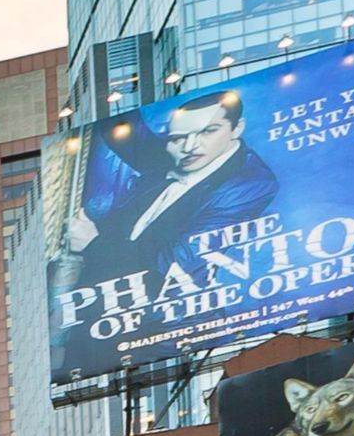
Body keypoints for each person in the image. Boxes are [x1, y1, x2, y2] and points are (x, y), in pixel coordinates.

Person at [62, 90, 275, 306]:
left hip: (162, 321)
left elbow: (170, 267)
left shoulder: (248, 185)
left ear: (237, 128)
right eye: (179, 137)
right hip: (103, 305)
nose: (190, 146)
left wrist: (93, 243)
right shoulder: (185, 153)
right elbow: (129, 136)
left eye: (208, 131)